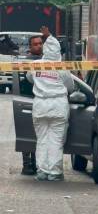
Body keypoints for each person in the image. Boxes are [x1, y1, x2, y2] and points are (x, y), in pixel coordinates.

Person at [26, 26, 74, 181]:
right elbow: (71, 87)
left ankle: (42, 171)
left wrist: (42, 84)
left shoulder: (35, 65)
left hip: (40, 105)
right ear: (58, 50)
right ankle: (54, 172)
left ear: (46, 49)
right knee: (56, 140)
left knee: (42, 139)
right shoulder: (62, 67)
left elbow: (29, 78)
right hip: (58, 105)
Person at [21, 35, 43, 175]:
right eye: (35, 44)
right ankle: (26, 164)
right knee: (27, 133)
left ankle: (36, 163)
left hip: (42, 101)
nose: (39, 46)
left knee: (39, 135)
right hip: (28, 100)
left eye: (40, 43)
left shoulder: (47, 60)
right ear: (30, 47)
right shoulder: (25, 62)